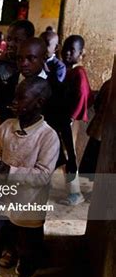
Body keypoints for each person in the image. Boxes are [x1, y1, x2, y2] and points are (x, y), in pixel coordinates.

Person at [0, 77, 59, 277]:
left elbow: (43, 174)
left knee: (27, 245)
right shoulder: (7, 127)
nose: (14, 102)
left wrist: (9, 170)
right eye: (15, 96)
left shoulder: (48, 137)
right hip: (3, 197)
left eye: (21, 98)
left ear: (39, 103)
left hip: (30, 202)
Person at [58, 35, 92, 205]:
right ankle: (72, 190)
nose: (67, 53)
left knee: (68, 154)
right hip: (64, 119)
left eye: (72, 50)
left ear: (81, 53)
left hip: (69, 120)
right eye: (65, 49)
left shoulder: (79, 73)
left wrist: (72, 117)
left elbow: (84, 96)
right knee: (65, 155)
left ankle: (76, 193)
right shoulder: (67, 70)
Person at [0, 19, 35, 123]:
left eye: (17, 40)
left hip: (27, 121)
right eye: (9, 39)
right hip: (2, 118)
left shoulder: (34, 64)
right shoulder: (0, 63)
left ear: (29, 41)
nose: (11, 44)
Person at [79, 78, 111, 184]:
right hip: (106, 132)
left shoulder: (109, 83)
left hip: (99, 129)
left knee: (95, 163)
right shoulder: (110, 84)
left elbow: (97, 103)